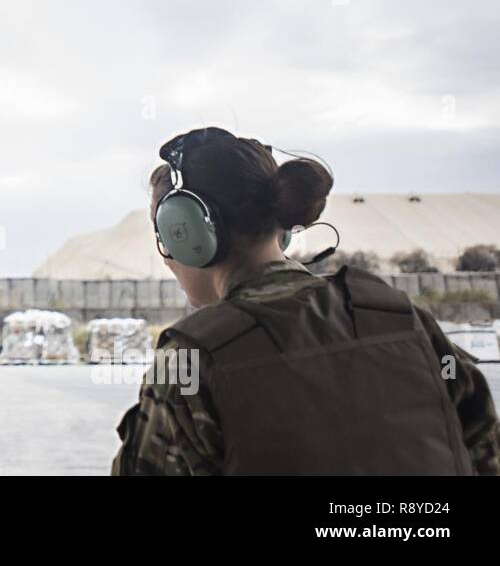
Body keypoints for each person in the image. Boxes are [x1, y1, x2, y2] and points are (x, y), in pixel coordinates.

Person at [113, 127, 499, 475]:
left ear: (188, 234)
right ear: (280, 228)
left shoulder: (191, 357)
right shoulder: (399, 317)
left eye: (166, 235)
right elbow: (484, 448)